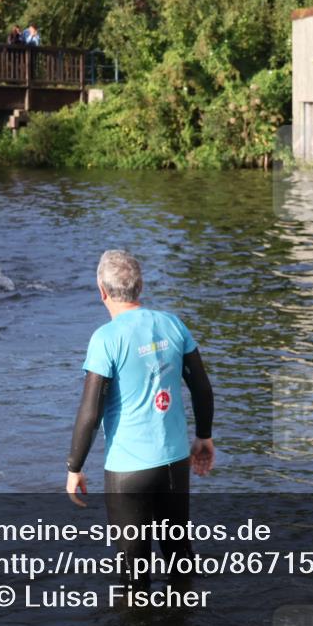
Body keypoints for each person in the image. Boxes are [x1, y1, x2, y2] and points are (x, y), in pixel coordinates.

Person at [66, 250, 214, 586]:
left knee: (134, 573)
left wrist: (74, 467)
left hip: (128, 471)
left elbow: (90, 411)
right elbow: (202, 388)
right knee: (180, 557)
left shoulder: (106, 339)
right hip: (175, 462)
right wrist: (204, 436)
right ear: (140, 286)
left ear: (101, 291)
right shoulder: (172, 324)